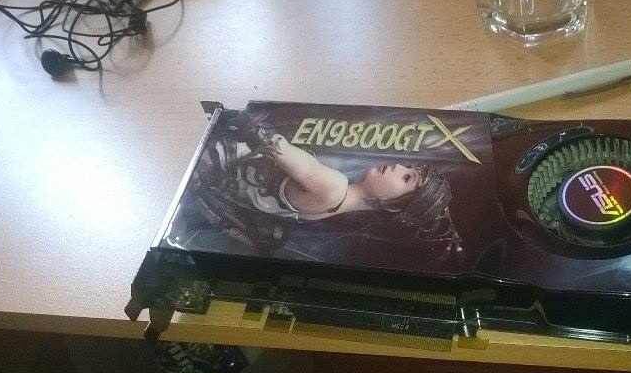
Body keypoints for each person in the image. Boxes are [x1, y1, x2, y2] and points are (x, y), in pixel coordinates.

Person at [177, 108, 464, 266]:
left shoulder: (334, 188)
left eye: (406, 178)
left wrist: (240, 115)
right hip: (215, 178)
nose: (398, 166)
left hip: (210, 159)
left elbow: (269, 142)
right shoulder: (332, 206)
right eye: (408, 168)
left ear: (391, 205)